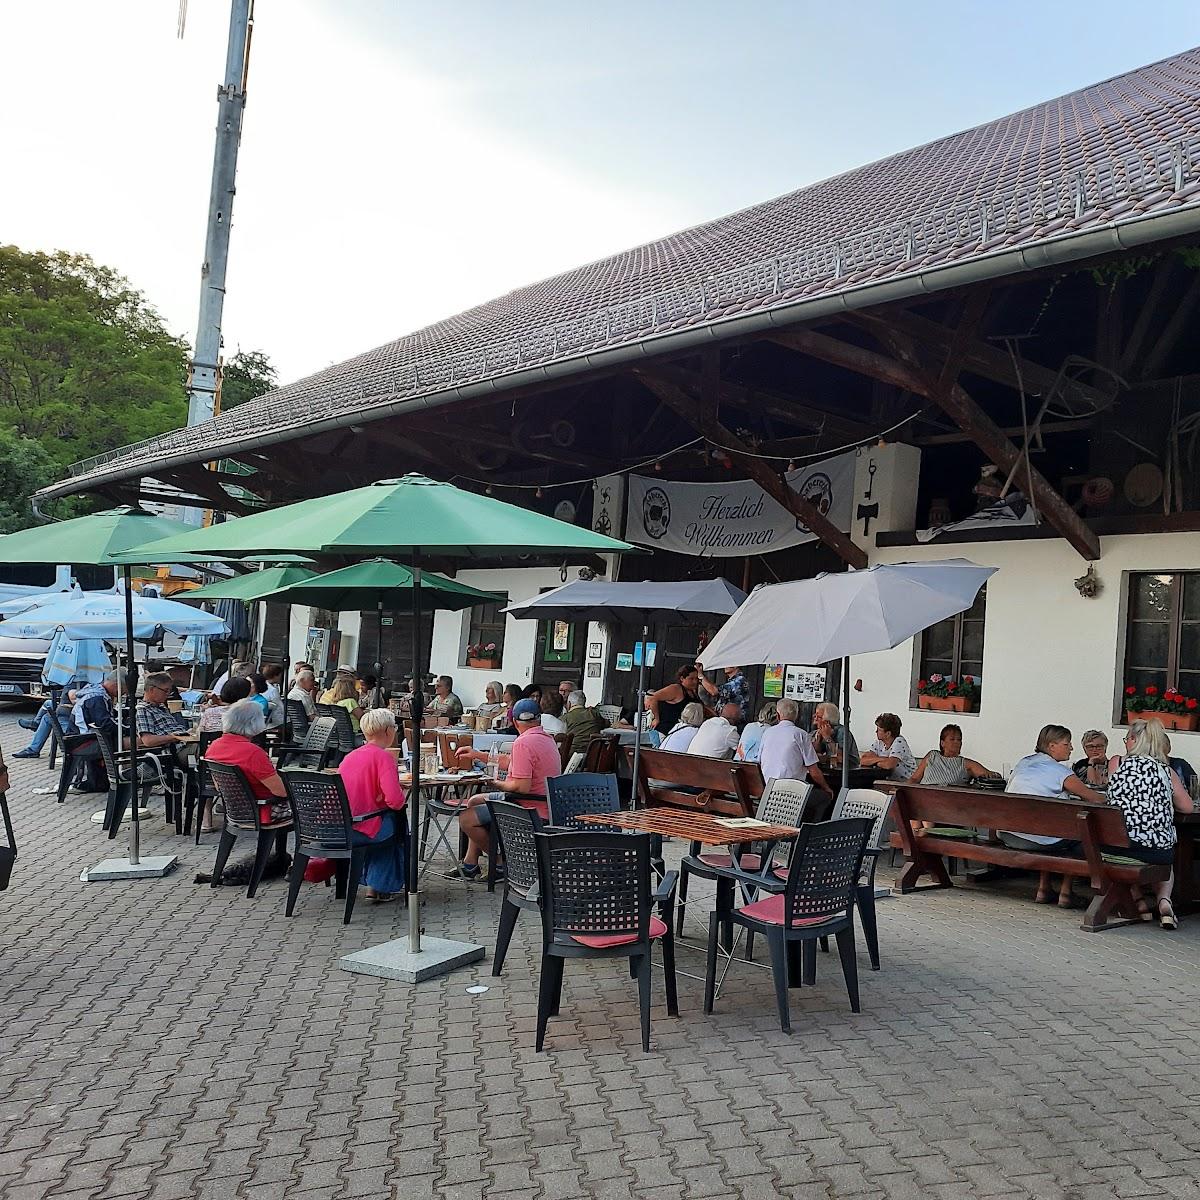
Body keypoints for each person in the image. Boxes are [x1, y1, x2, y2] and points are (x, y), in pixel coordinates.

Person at [1001, 724, 1105, 907]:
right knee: (1081, 835)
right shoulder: (1061, 772)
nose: (1071, 748)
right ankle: (1065, 892)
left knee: (1049, 828)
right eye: (1067, 744)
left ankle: (1044, 888)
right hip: (1035, 838)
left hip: (1009, 834)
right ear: (1051, 746)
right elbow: (1095, 799)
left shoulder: (1024, 762)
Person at [457, 699, 561, 880]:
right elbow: (510, 762)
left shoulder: (524, 743)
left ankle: (500, 863)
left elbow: (522, 787)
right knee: (474, 802)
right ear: (539, 720)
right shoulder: (545, 739)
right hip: (545, 803)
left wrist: (494, 783)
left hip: (527, 808)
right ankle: (470, 862)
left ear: (514, 722)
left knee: (467, 820)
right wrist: (477, 754)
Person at [1106, 719, 1194, 928]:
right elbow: (1188, 808)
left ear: (1135, 740)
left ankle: (1138, 901)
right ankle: (1164, 902)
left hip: (1114, 849)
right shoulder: (1165, 771)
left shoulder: (1116, 763)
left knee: (1132, 845)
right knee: (1164, 855)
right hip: (1155, 853)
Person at [337, 707, 408, 901]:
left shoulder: (350, 756)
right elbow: (394, 801)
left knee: (390, 825)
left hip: (344, 824)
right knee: (399, 827)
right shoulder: (384, 757)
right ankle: (382, 885)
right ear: (388, 731)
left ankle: (373, 885)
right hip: (366, 825)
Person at [204, 700, 289, 824]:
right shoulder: (253, 753)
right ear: (256, 723)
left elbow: (218, 786)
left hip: (234, 809)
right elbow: (281, 792)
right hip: (265, 808)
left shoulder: (213, 747)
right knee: (316, 802)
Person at [759, 699, 831, 800]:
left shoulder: (767, 733)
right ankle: (806, 816)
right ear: (796, 715)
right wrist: (826, 788)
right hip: (792, 793)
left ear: (778, 716)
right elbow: (813, 771)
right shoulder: (800, 734)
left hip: (768, 790)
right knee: (824, 797)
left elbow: (760, 761)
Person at [909, 724, 996, 785]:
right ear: (942, 743)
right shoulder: (932, 756)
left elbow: (989, 774)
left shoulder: (965, 763)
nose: (957, 742)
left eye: (959, 740)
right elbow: (915, 779)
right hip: (924, 797)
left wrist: (992, 775)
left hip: (949, 802)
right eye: (952, 739)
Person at [12, 687, 78, 759]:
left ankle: (34, 745)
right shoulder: (74, 681)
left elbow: (76, 700)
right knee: (47, 710)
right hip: (66, 712)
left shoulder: (80, 682)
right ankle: (36, 726)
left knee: (47, 715)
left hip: (70, 717)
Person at [645, 665, 705, 733]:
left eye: (696, 679)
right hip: (664, 730)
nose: (695, 681)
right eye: (691, 679)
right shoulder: (676, 689)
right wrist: (656, 718)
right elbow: (652, 698)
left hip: (681, 730)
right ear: (682, 678)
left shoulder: (693, 692)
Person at [859, 713, 917, 780]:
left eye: (879, 730)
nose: (876, 731)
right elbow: (863, 760)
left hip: (907, 783)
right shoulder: (879, 742)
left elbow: (889, 765)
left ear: (888, 734)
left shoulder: (899, 742)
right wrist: (883, 759)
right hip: (889, 781)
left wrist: (874, 762)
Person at [811, 702, 860, 770]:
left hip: (848, 772)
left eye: (819, 717)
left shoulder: (843, 732)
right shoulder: (815, 733)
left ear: (827, 721)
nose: (815, 719)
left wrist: (827, 737)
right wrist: (818, 738)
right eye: (815, 716)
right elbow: (811, 755)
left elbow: (840, 758)